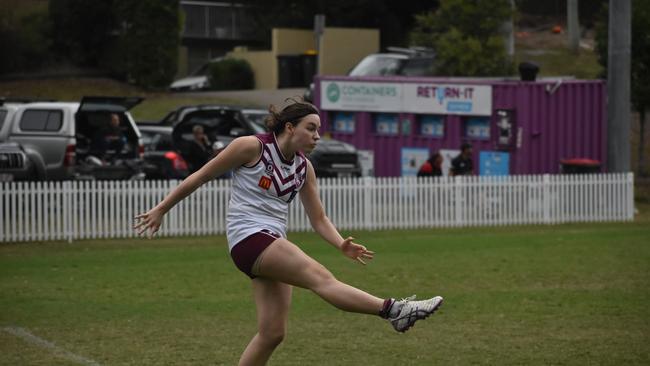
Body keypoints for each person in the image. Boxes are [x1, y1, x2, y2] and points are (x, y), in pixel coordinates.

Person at [134, 99, 443, 366]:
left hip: (271, 243)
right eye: (311, 127)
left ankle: (394, 312)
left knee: (272, 333)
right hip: (249, 239)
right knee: (321, 278)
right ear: (290, 127)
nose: (317, 136)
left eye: (319, 130)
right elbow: (200, 176)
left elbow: (318, 218)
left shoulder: (303, 168)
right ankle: (395, 310)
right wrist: (162, 208)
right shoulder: (250, 146)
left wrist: (340, 244)